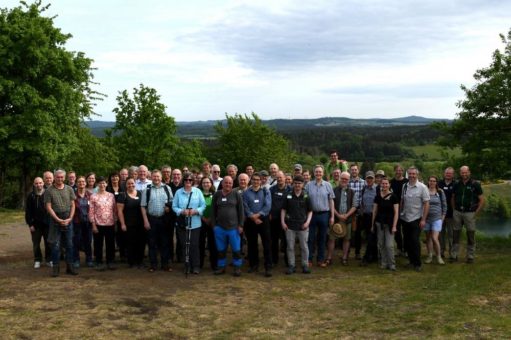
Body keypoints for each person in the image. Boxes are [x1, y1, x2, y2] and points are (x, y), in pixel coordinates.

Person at [45, 169, 76, 277]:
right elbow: (48, 207)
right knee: (55, 245)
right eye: (57, 177)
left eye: (62, 177)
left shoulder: (69, 189)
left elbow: (73, 205)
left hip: (68, 219)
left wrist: (70, 218)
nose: (60, 179)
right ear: (54, 177)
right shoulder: (49, 190)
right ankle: (55, 268)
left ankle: (70, 267)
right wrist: (58, 219)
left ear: (65, 177)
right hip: (55, 220)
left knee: (69, 244)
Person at [173, 172, 206, 274]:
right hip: (182, 223)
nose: (188, 182)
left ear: (193, 181)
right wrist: (181, 211)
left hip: (195, 223)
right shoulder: (178, 192)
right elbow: (174, 206)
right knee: (184, 245)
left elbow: (203, 205)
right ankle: (186, 265)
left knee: (194, 245)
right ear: (183, 181)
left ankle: (195, 266)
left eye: (190, 180)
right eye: (186, 180)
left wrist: (196, 211)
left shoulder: (198, 192)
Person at [211, 176, 244, 276]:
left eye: (230, 183)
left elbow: (241, 211)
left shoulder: (236, 194)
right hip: (219, 228)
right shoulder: (217, 194)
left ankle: (237, 268)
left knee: (236, 249)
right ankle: (221, 267)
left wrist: (241, 225)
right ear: (222, 183)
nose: (228, 184)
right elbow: (213, 211)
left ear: (232, 184)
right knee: (221, 249)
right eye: (226, 182)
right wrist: (214, 226)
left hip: (233, 228)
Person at [141, 170, 173, 272]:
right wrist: (145, 221)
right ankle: (153, 265)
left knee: (165, 243)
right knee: (152, 243)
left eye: (158, 177)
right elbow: (142, 206)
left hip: (164, 219)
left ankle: (165, 264)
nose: (156, 178)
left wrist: (169, 207)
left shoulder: (167, 188)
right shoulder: (147, 190)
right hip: (152, 219)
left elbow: (172, 202)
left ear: (161, 177)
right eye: (154, 177)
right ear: (151, 177)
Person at [451, 166, 484, 263]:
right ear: (460, 173)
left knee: (470, 235)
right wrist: (454, 209)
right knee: (455, 234)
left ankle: (470, 257)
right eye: (462, 172)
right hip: (457, 212)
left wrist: (476, 212)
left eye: (466, 172)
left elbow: (482, 200)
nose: (464, 174)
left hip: (470, 213)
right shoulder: (456, 183)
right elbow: (452, 197)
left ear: (469, 172)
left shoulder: (475, 184)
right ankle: (454, 255)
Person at [281, 175, 312, 274]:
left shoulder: (306, 195)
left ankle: (305, 265)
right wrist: (283, 222)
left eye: (299, 183)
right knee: (290, 247)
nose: (297, 185)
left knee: (304, 246)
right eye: (296, 183)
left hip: (303, 226)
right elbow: (283, 210)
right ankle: (291, 265)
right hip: (290, 225)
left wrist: (307, 222)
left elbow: (310, 211)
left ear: (303, 184)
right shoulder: (288, 195)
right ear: (293, 184)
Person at [243, 172, 273, 277]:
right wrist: (252, 217)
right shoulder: (246, 193)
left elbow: (268, 206)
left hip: (263, 221)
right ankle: (253, 265)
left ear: (261, 181)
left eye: (258, 179)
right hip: (251, 221)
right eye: (254, 179)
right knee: (252, 244)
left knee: (266, 244)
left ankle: (268, 266)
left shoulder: (266, 191)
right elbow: (245, 207)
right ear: (251, 180)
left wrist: (258, 215)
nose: (256, 181)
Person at [400, 166, 430, 272]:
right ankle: (411, 261)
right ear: (408, 174)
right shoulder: (404, 186)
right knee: (407, 241)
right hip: (405, 218)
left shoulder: (422, 187)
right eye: (410, 174)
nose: (412, 176)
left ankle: (418, 263)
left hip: (416, 218)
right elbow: (402, 201)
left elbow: (426, 204)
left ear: (417, 175)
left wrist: (423, 219)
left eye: (414, 174)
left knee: (414, 241)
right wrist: (400, 214)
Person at [305, 165, 335, 267]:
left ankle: (320, 260)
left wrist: (332, 216)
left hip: (324, 215)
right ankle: (308, 259)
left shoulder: (328, 185)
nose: (318, 173)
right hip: (312, 215)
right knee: (310, 238)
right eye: (316, 172)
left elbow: (331, 201)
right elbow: (305, 201)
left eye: (320, 172)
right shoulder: (308, 185)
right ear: (313, 173)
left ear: (323, 173)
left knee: (322, 238)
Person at [326, 172, 358, 266]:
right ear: (339, 178)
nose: (344, 180)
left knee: (346, 239)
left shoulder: (352, 192)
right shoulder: (334, 190)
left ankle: (344, 257)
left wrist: (347, 215)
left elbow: (355, 206)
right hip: (335, 219)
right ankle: (329, 257)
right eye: (342, 178)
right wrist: (338, 215)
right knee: (331, 239)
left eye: (346, 179)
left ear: (349, 180)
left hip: (347, 220)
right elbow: (330, 204)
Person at [89, 176, 118, 270]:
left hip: (110, 223)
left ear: (106, 184)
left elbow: (114, 210)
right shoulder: (93, 196)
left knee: (110, 244)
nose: (102, 185)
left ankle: (110, 261)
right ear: (97, 184)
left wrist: (115, 221)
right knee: (98, 244)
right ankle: (99, 261)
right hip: (98, 224)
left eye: (104, 183)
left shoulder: (111, 195)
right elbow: (91, 212)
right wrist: (93, 225)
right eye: (100, 183)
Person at [371, 177, 399, 271]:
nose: (384, 185)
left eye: (386, 183)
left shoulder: (394, 197)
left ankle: (392, 264)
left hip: (390, 224)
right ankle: (384, 262)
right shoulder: (377, 196)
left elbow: (396, 213)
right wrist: (372, 224)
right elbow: (374, 211)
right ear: (380, 185)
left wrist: (395, 226)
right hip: (379, 223)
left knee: (389, 245)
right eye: (383, 184)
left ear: (389, 185)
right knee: (381, 244)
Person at [117, 178, 145, 268]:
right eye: (128, 184)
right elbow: (120, 211)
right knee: (130, 243)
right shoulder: (122, 195)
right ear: (126, 185)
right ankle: (131, 262)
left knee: (140, 243)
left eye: (132, 183)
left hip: (140, 223)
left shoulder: (140, 194)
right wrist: (122, 224)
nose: (131, 185)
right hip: (129, 224)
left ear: (135, 184)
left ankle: (140, 261)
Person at [25, 177, 51, 269]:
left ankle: (48, 259)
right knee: (36, 244)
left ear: (43, 183)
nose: (38, 185)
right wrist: (30, 224)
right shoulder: (31, 196)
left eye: (40, 183)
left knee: (48, 243)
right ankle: (37, 260)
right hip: (35, 225)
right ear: (34, 184)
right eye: (36, 183)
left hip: (47, 224)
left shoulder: (48, 193)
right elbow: (28, 211)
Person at [424, 176, 447, 265]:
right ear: (428, 182)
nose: (432, 182)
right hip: (426, 218)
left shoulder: (440, 192)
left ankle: (438, 256)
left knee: (434, 238)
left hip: (437, 219)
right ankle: (429, 255)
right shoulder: (425, 191)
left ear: (436, 182)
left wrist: (442, 218)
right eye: (430, 181)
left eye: (434, 181)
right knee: (428, 238)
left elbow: (444, 206)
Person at [269, 171, 290, 266]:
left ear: (285, 178)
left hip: (287, 219)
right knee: (274, 240)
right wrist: (269, 213)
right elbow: (268, 202)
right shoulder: (272, 189)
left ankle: (287, 260)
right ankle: (274, 259)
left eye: (281, 177)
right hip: (274, 218)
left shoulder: (290, 189)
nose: (279, 179)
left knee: (286, 240)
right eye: (278, 178)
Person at [73, 176, 93, 268]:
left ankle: (89, 259)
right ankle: (76, 260)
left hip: (88, 222)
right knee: (76, 241)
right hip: (77, 222)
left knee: (88, 241)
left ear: (85, 183)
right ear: (77, 183)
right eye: (79, 182)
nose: (81, 183)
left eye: (83, 182)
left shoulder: (90, 195)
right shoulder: (73, 195)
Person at [359, 171, 378, 265]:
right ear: (365, 179)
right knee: (370, 237)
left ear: (374, 179)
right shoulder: (364, 189)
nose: (369, 180)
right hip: (366, 216)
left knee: (371, 237)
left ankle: (366, 258)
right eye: (368, 178)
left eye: (371, 178)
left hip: (374, 217)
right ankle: (374, 256)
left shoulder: (378, 189)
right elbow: (361, 201)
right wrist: (362, 211)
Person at [198, 176, 218, 270]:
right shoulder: (197, 194)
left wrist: (210, 218)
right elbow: (196, 207)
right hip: (200, 221)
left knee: (213, 243)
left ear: (211, 184)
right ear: (201, 184)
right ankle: (199, 264)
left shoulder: (215, 194)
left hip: (212, 222)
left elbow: (217, 208)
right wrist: (203, 218)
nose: (206, 184)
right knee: (200, 243)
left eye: (208, 182)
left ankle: (214, 264)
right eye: (204, 183)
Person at [390, 164, 408, 257]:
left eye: (400, 170)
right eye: (397, 170)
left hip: (405, 209)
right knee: (396, 230)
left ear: (403, 171)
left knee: (405, 231)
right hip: (394, 210)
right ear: (394, 171)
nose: (398, 172)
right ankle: (400, 248)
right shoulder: (391, 182)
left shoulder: (407, 182)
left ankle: (406, 249)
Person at [349, 163, 365, 259]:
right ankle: (346, 252)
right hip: (349, 210)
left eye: (355, 169)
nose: (354, 171)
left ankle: (357, 253)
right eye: (352, 170)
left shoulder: (364, 182)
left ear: (358, 171)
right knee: (348, 232)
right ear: (350, 171)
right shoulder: (347, 182)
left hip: (359, 211)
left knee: (358, 232)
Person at [438, 167, 455, 259]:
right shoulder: (439, 183)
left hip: (451, 214)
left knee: (451, 234)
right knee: (441, 234)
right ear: (444, 174)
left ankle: (452, 253)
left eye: (450, 173)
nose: (448, 175)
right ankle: (441, 251)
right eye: (446, 173)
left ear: (453, 174)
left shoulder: (455, 184)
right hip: (440, 214)